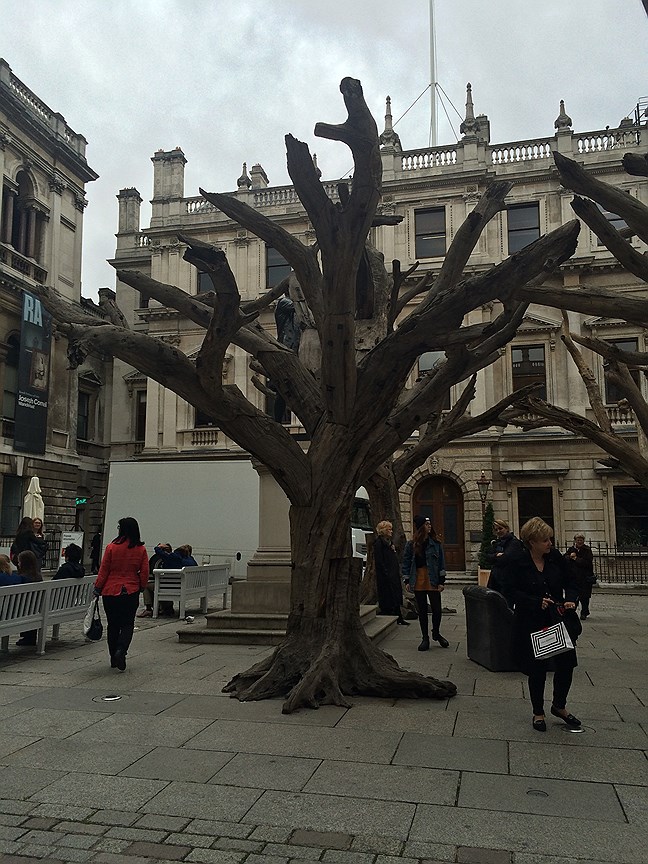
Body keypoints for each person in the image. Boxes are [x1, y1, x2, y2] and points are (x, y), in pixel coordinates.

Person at [511, 517, 582, 732]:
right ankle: (538, 711)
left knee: (566, 664)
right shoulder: (518, 561)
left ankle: (559, 705)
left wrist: (570, 598)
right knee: (537, 668)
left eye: (550, 539)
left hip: (556, 618)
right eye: (545, 540)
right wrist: (534, 601)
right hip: (531, 620)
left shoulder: (555, 558)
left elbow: (572, 580)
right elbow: (509, 591)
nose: (550, 543)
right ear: (532, 541)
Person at [94, 517, 149, 671]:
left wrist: (97, 588)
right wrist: (142, 586)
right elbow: (144, 572)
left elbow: (103, 570)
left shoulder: (111, 547)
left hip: (110, 591)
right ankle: (121, 650)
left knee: (113, 625)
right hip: (130, 590)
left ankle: (113, 656)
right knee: (127, 624)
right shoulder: (141, 549)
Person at [402, 515, 449, 650]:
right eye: (427, 524)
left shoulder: (436, 543)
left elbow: (441, 563)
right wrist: (406, 579)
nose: (430, 526)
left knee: (436, 609)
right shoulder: (411, 544)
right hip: (418, 578)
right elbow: (406, 562)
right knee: (422, 610)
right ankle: (425, 638)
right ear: (421, 527)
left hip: (432, 577)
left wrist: (441, 581)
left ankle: (436, 633)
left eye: (430, 524)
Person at [373, 521, 409, 626]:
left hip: (393, 574)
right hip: (387, 575)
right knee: (389, 596)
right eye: (389, 529)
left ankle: (399, 617)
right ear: (383, 530)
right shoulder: (379, 543)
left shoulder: (389, 542)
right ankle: (392, 615)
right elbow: (380, 561)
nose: (391, 532)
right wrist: (386, 573)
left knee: (396, 596)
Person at [486, 519, 523, 609]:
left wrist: (496, 557)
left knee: (506, 608)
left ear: (506, 528)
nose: (498, 531)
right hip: (496, 581)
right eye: (496, 530)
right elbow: (487, 557)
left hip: (508, 582)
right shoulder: (496, 543)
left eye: (500, 528)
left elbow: (506, 558)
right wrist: (496, 556)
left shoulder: (514, 543)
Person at [15, 550, 43, 646]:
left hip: (22, 610)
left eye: (19, 562)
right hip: (36, 608)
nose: (18, 564)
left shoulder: (22, 578)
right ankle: (30, 637)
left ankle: (27, 637)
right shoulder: (38, 576)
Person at [564, 533, 595, 620]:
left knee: (584, 597)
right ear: (575, 541)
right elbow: (564, 558)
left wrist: (576, 559)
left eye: (581, 540)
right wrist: (569, 557)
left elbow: (588, 563)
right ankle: (572, 612)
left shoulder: (587, 550)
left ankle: (584, 612)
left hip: (584, 578)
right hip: (573, 577)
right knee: (573, 596)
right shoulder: (571, 549)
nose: (580, 541)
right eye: (578, 540)